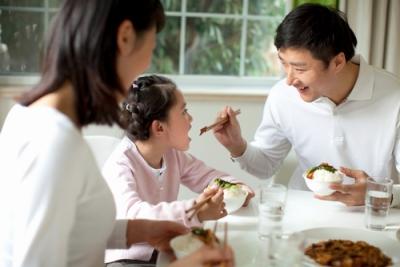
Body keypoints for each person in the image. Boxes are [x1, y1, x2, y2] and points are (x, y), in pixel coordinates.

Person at [0, 1, 233, 267]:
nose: (144, 69)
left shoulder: (25, 114)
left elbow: (70, 232)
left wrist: (141, 230)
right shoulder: (54, 142)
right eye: (151, 49)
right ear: (124, 37)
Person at [213, 3, 400, 206]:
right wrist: (237, 146)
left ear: (337, 62)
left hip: (373, 217)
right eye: (284, 63)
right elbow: (265, 166)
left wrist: (379, 194)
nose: (289, 79)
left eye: (300, 68)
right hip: (304, 211)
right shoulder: (283, 96)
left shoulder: (394, 97)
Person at [103, 74, 254, 265]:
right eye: (184, 111)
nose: (191, 119)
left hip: (162, 253)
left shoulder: (172, 155)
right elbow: (135, 215)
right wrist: (196, 211)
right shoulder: (120, 165)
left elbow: (209, 178)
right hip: (125, 260)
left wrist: (236, 188)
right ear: (159, 128)